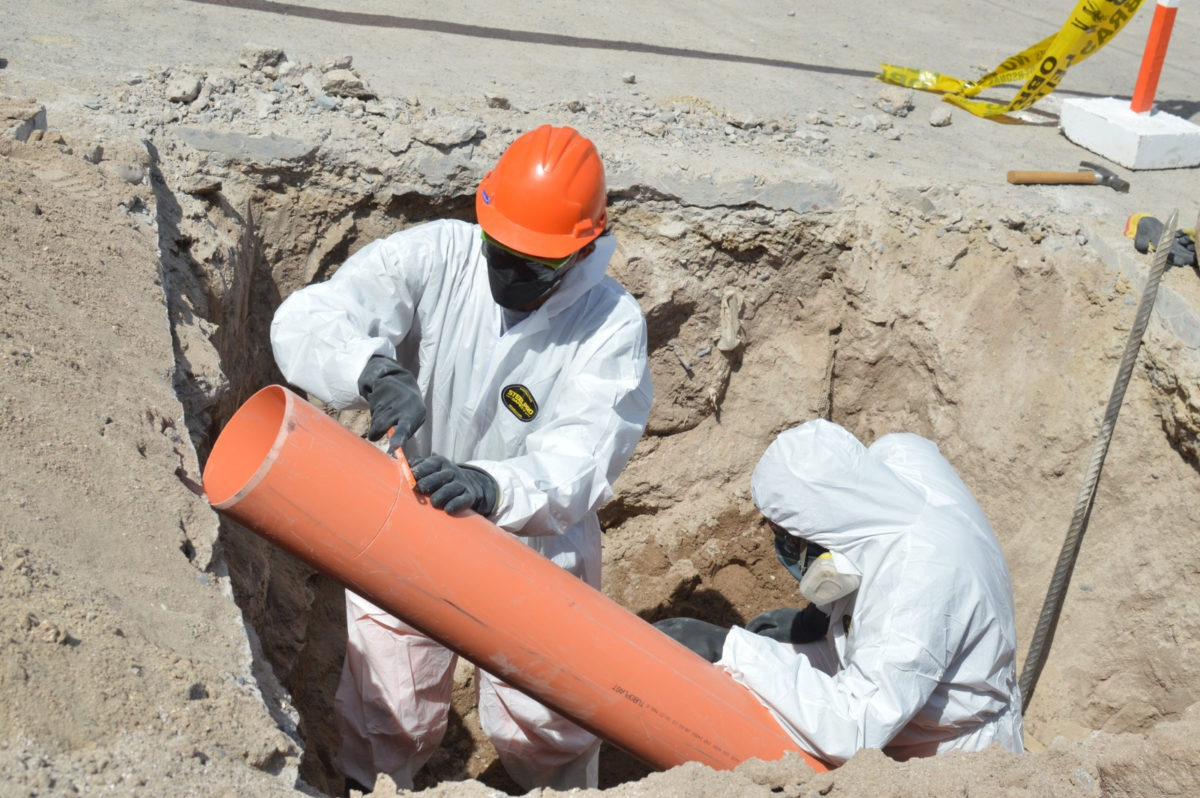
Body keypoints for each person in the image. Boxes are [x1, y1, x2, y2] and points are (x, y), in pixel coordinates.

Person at [270, 125, 653, 792]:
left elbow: (582, 460)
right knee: (389, 709)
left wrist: (489, 485)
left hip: (536, 543)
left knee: (547, 726)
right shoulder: (441, 256)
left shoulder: (610, 326)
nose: (505, 274)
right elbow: (312, 318)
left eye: (531, 266)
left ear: (582, 248)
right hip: (407, 514)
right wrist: (372, 371)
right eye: (499, 252)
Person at [655, 419, 1023, 765]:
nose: (781, 546)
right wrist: (823, 616)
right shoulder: (898, 465)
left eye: (787, 536)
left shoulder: (914, 585)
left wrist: (730, 648)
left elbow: (857, 728)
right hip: (913, 680)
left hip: (943, 759)